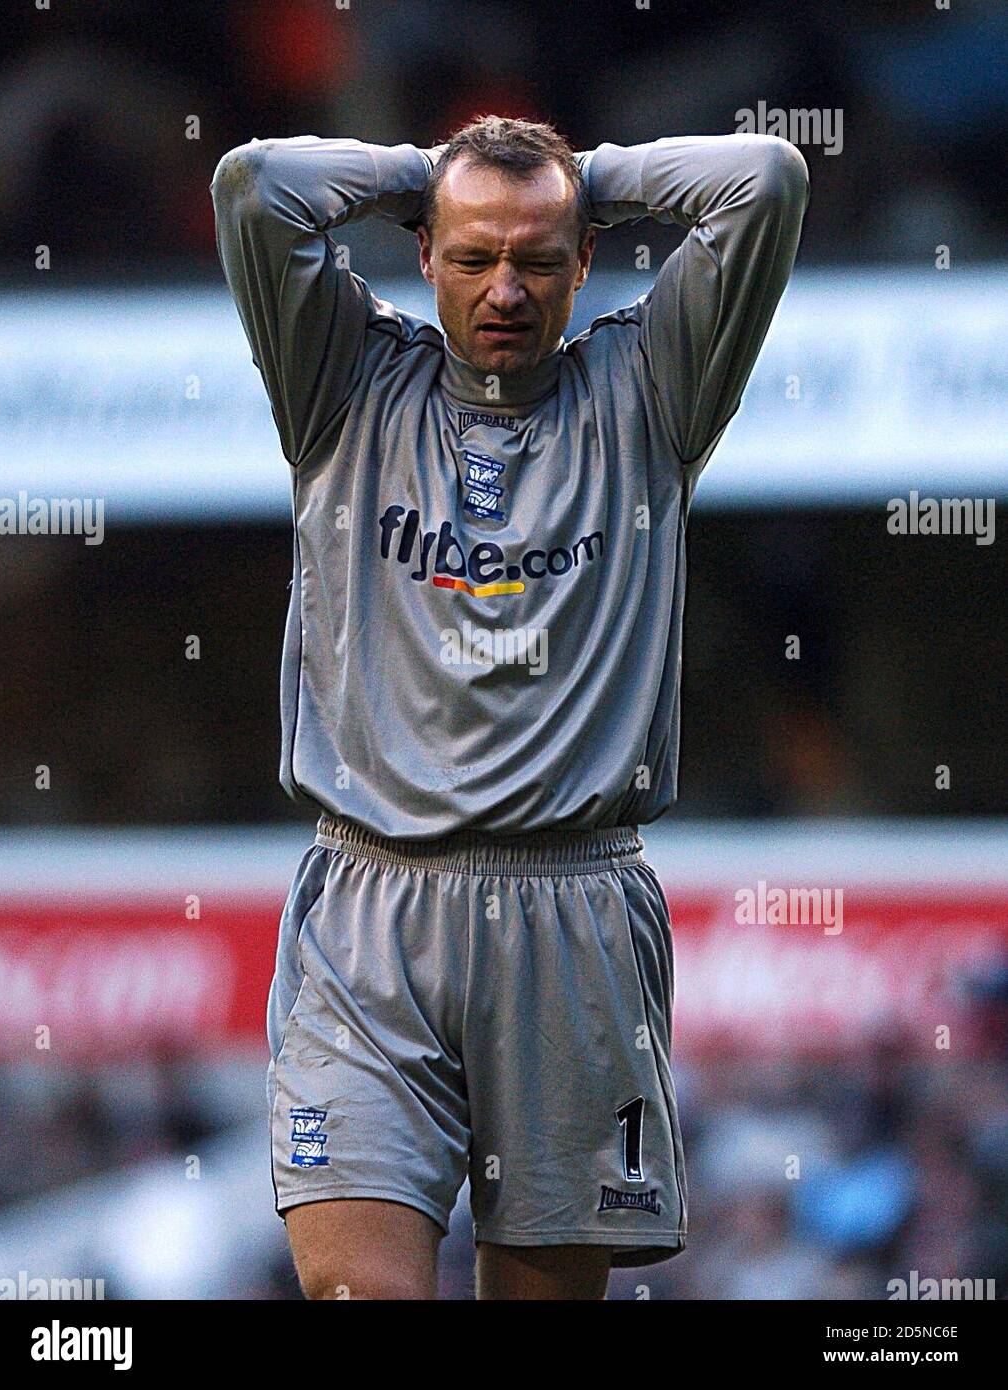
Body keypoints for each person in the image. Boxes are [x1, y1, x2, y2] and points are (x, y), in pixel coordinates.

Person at [211, 114, 809, 1300]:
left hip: (572, 910)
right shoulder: (339, 380)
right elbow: (254, 185)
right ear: (422, 253)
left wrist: (586, 182)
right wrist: (419, 179)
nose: (506, 290)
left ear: (586, 260)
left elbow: (768, 178)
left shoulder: (650, 387)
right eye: (474, 255)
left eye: (539, 259)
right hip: (368, 911)